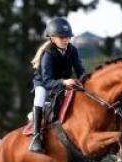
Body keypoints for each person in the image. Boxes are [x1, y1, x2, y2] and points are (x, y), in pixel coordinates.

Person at [30, 17, 86, 154]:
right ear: (52, 38)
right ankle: (36, 136)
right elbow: (48, 81)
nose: (65, 40)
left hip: (63, 82)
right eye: (62, 37)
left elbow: (80, 70)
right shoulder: (48, 54)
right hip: (44, 83)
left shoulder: (72, 50)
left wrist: (86, 81)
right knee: (40, 95)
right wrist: (64, 82)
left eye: (67, 37)